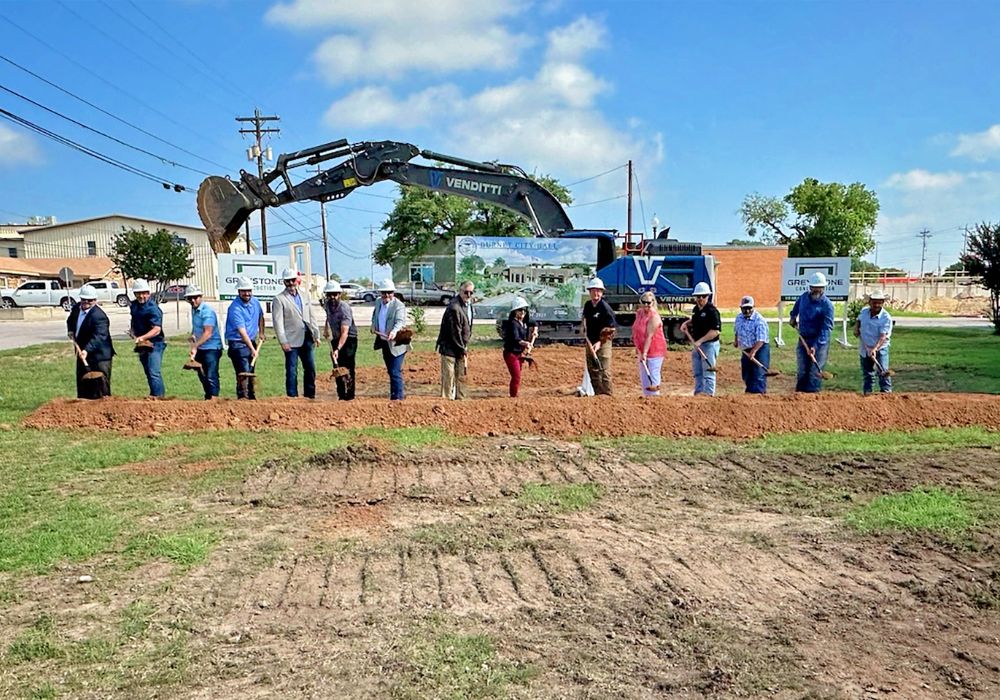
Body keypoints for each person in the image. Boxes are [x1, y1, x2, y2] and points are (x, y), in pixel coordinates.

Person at [272, 267, 320, 399]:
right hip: (291, 340)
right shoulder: (279, 299)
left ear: (297, 280)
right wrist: (283, 341)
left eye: (293, 280)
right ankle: (292, 397)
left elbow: (311, 316)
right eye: (287, 281)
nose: (291, 283)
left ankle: (310, 395)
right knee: (292, 371)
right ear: (284, 282)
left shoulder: (305, 295)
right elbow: (278, 322)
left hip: (307, 337)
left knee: (310, 368)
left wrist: (317, 334)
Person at [790, 271, 836, 393]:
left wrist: (815, 346)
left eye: (819, 288)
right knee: (802, 370)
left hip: (820, 342)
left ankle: (812, 399)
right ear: (810, 287)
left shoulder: (827, 306)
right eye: (814, 287)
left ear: (823, 288)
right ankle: (799, 396)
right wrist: (793, 317)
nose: (816, 290)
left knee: (814, 372)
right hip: (803, 338)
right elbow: (795, 309)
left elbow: (826, 329)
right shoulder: (803, 297)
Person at [66, 284, 114, 398]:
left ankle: (103, 407)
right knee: (83, 383)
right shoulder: (77, 308)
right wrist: (71, 330)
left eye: (90, 300)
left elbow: (100, 336)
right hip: (82, 352)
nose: (86, 302)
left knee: (101, 386)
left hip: (100, 356)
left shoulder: (99, 316)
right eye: (84, 300)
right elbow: (70, 320)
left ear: (95, 300)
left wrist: (87, 350)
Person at [225, 276, 264, 400]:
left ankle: (251, 397)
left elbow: (261, 316)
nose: (247, 293)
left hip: (250, 341)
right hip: (238, 343)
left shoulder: (255, 302)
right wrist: (253, 349)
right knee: (244, 371)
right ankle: (243, 397)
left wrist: (262, 332)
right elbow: (242, 332)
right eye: (243, 291)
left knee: (251, 370)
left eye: (249, 291)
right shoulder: (235, 308)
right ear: (238, 291)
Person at [370, 279, 410, 400]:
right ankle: (394, 395)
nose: (387, 295)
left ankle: (398, 399)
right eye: (384, 292)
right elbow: (375, 315)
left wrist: (393, 332)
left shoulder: (399, 305)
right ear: (380, 293)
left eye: (389, 292)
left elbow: (399, 322)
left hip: (397, 343)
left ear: (393, 292)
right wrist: (373, 325)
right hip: (384, 342)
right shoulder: (378, 302)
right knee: (390, 371)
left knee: (395, 371)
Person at [680, 281, 722, 396]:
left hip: (709, 345)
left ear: (707, 296)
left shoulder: (712, 311)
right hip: (698, 345)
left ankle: (708, 395)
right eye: (698, 296)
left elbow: (715, 331)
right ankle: (698, 394)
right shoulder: (696, 310)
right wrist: (686, 324)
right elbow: (695, 320)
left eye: (703, 296)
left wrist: (700, 341)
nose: (700, 298)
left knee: (708, 372)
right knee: (698, 372)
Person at [436, 281, 475, 400]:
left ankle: (460, 399)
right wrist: (462, 348)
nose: (468, 295)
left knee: (461, 375)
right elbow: (455, 332)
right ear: (460, 291)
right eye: (466, 292)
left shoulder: (468, 305)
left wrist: (464, 347)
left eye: (471, 292)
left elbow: (467, 326)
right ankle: (446, 401)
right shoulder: (454, 307)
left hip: (461, 346)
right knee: (449, 376)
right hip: (449, 347)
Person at [129, 278, 165, 398]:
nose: (141, 296)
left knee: (154, 372)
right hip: (142, 344)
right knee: (147, 371)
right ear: (134, 294)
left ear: (149, 293)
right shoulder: (134, 305)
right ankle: (153, 395)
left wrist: (142, 337)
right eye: (138, 293)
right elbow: (133, 320)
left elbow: (157, 329)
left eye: (144, 293)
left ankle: (159, 397)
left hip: (155, 344)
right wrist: (133, 331)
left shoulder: (153, 309)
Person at [322, 280, 357, 400]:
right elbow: (328, 316)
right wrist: (326, 328)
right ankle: (341, 395)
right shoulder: (327, 304)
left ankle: (350, 395)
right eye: (329, 294)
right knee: (337, 367)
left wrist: (337, 349)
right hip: (336, 338)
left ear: (339, 294)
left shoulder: (344, 308)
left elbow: (345, 332)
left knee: (347, 367)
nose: (332, 297)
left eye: (335, 294)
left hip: (349, 339)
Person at [185, 285, 222, 400]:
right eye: (190, 298)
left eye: (195, 297)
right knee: (202, 374)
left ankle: (214, 398)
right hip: (201, 347)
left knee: (211, 374)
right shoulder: (194, 310)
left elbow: (208, 332)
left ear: (200, 297)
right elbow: (198, 327)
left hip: (212, 348)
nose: (192, 300)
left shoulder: (207, 312)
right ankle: (208, 396)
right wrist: (193, 334)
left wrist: (195, 346)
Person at [581, 277, 616, 396]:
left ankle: (608, 395)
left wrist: (600, 342)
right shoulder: (588, 305)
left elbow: (612, 329)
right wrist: (583, 327)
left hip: (604, 341)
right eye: (593, 290)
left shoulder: (605, 308)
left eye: (598, 291)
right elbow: (584, 319)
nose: (596, 293)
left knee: (604, 370)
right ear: (589, 292)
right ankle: (598, 395)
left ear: (602, 292)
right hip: (590, 341)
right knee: (593, 370)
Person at [854, 290, 893, 395]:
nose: (876, 305)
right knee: (868, 374)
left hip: (880, 348)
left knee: (883, 371)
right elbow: (859, 320)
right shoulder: (864, 312)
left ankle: (886, 394)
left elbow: (883, 337)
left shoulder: (886, 318)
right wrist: (856, 328)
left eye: (879, 302)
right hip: (865, 347)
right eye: (874, 302)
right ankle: (868, 394)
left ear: (883, 303)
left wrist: (875, 349)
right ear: (869, 302)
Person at [501, 296, 538, 398]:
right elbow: (516, 339)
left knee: (517, 376)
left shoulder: (524, 321)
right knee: (516, 376)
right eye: (520, 310)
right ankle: (513, 397)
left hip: (519, 354)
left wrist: (535, 330)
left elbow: (534, 323)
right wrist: (526, 343)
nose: (523, 312)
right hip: (511, 354)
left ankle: (514, 394)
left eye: (524, 310)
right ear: (514, 311)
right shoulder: (513, 324)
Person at [733, 295, 770, 394]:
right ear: (741, 308)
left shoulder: (760, 321)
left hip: (760, 348)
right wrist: (736, 341)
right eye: (745, 308)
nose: (747, 311)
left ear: (754, 307)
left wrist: (753, 351)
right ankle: (749, 393)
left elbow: (761, 339)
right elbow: (736, 330)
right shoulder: (739, 318)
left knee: (758, 374)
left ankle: (759, 394)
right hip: (746, 349)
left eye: (749, 308)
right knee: (746, 373)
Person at [632, 291, 666, 397]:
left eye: (649, 302)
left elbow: (649, 336)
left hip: (655, 349)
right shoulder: (639, 313)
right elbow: (636, 329)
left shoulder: (654, 317)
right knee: (644, 376)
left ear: (653, 302)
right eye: (644, 302)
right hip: (642, 349)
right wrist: (638, 347)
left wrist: (645, 353)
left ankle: (654, 397)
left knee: (653, 373)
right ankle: (647, 397)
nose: (646, 305)